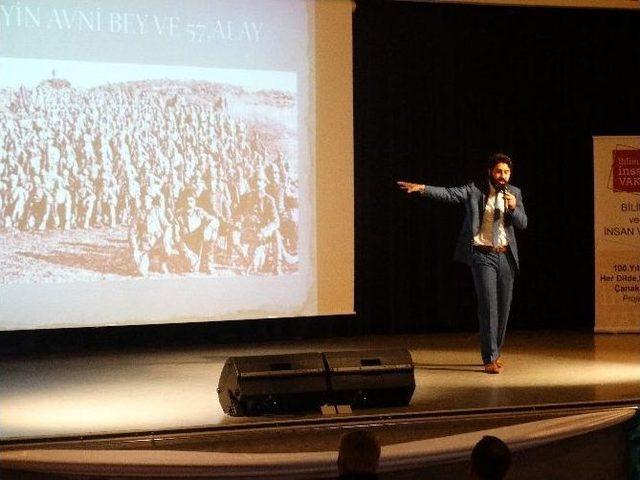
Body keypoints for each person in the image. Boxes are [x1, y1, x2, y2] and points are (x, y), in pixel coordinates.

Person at [398, 153, 527, 374]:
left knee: (504, 309)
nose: (502, 176)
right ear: (490, 172)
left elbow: (523, 224)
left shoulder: (514, 193)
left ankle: (496, 352)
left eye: (506, 172)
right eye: (498, 171)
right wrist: (422, 188)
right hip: (482, 255)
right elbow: (449, 194)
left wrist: (513, 208)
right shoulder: (474, 189)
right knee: (488, 307)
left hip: (505, 256)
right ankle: (489, 357)